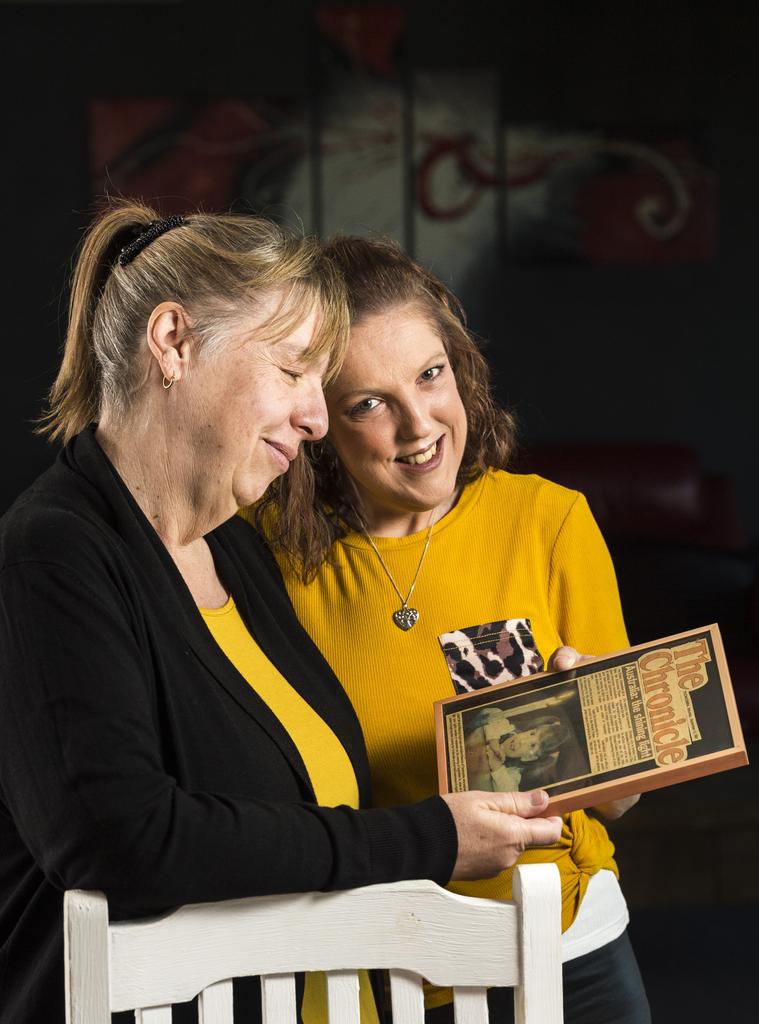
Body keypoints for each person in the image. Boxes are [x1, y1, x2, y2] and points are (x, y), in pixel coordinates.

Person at [0, 205, 563, 1024]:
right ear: (174, 343)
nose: (316, 416)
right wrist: (429, 839)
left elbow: (300, 806)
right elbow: (118, 838)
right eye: (294, 369)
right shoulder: (49, 555)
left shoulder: (236, 549)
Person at [260, 236, 650, 1023]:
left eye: (430, 375)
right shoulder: (266, 555)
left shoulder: (549, 520)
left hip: (564, 950)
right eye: (370, 403)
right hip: (374, 967)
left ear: (460, 368)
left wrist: (591, 727)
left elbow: (624, 800)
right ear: (320, 422)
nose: (419, 424)